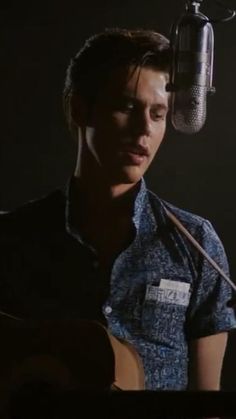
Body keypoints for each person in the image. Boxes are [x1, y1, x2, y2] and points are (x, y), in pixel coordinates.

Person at [0, 28, 235, 392]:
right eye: (127, 107)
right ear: (80, 108)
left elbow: (208, 406)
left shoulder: (196, 244)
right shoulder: (13, 239)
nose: (144, 130)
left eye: (158, 114)